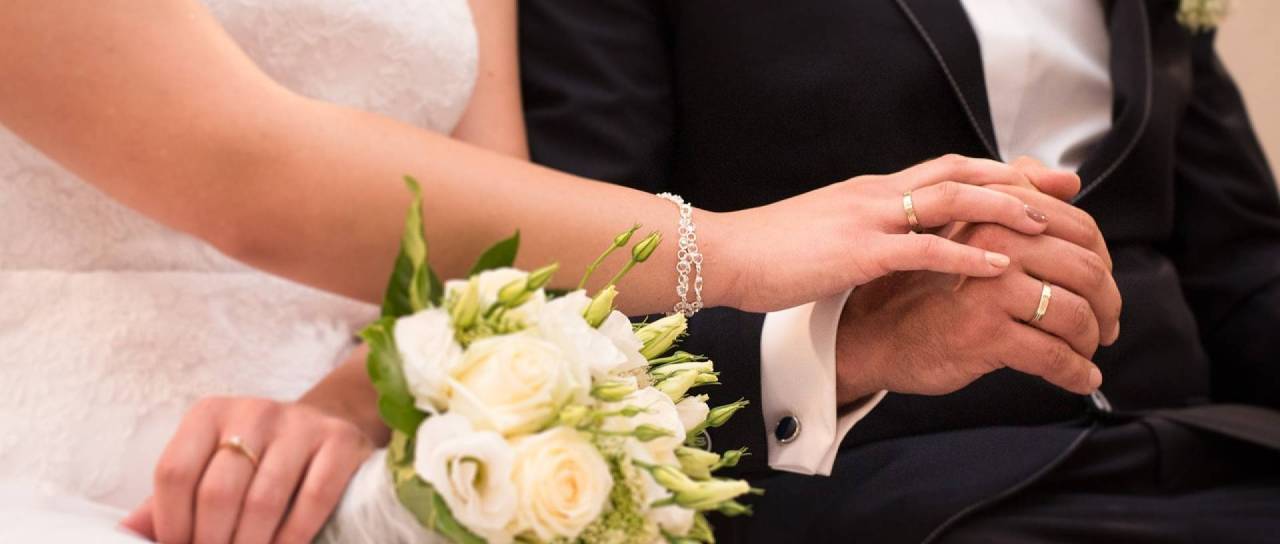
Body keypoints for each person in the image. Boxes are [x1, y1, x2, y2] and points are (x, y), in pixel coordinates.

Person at [0, 1, 1091, 542]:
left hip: (384, 444)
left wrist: (364, 399)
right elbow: (237, 168)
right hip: (97, 453)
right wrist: (735, 249)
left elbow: (487, 242)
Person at [518, 0, 1280, 541]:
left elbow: (1241, 263)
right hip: (895, 486)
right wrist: (835, 349)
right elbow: (578, 293)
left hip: (1212, 453)